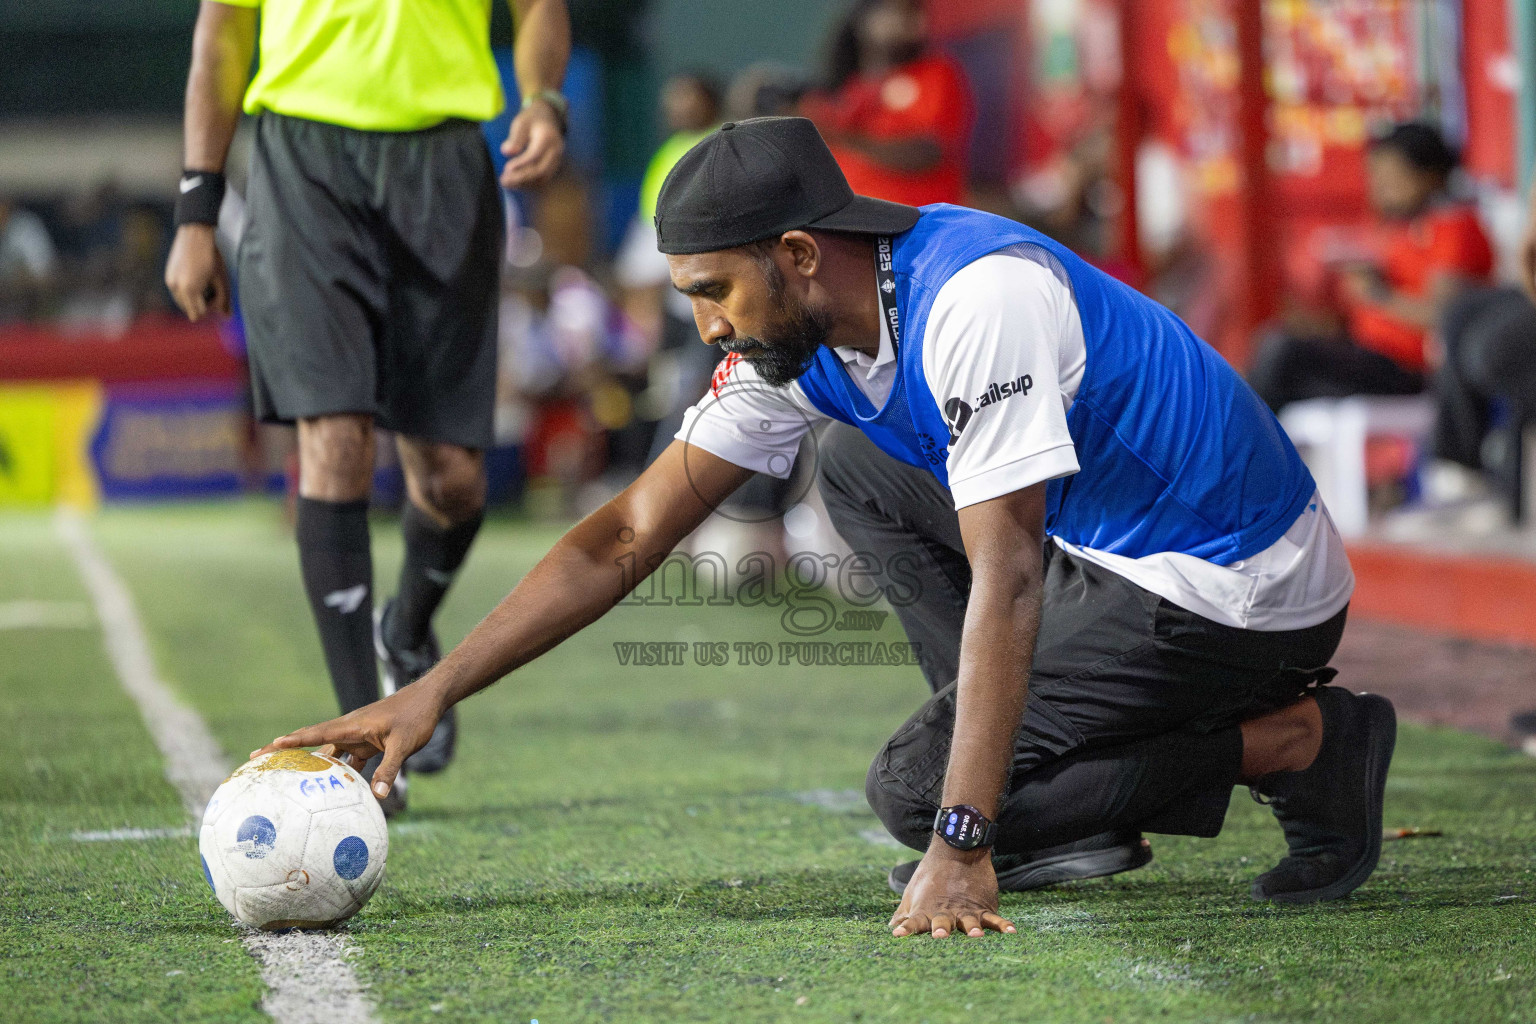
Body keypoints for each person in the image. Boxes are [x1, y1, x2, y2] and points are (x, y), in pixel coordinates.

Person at [255, 118, 1394, 939]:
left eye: (716, 291)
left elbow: (1005, 580)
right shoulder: (798, 338)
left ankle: (1297, 743)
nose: (706, 324)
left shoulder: (973, 302)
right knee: (856, 460)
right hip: (1114, 555)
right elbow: (625, 537)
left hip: (1234, 583)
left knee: (912, 793)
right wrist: (433, 690)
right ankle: (1040, 784)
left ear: (798, 255)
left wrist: (959, 834)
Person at [165, 0, 571, 813]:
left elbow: (540, 10)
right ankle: (358, 747)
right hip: (302, 158)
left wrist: (543, 99)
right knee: (336, 439)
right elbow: (221, 35)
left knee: (453, 481)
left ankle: (407, 629)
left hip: (446, 162)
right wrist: (195, 210)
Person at [1249, 122, 1494, 412]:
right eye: (1375, 177)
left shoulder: (1454, 227)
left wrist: (1379, 295)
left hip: (1408, 372)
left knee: (1282, 353)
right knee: (1278, 350)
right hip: (1369, 357)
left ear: (1428, 176)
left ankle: (1232, 447)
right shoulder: (1403, 230)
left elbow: (1445, 314)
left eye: (1391, 177)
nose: (1380, 189)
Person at [800, 0, 973, 207]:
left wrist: (838, 137)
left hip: (915, 219)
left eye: (913, 13)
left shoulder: (937, 73)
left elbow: (927, 153)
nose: (912, 22)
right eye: (896, 12)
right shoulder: (852, 86)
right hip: (845, 217)